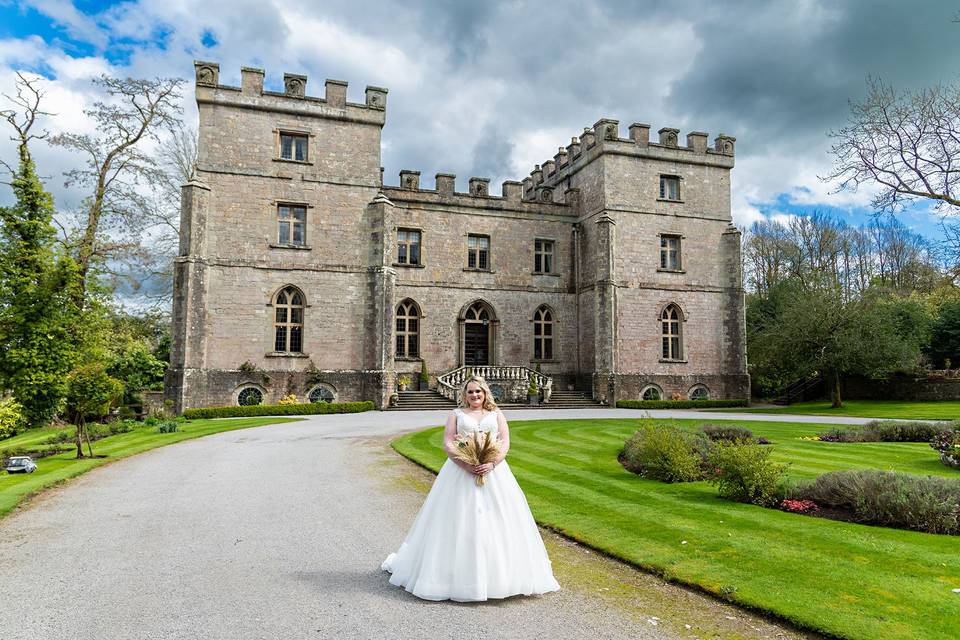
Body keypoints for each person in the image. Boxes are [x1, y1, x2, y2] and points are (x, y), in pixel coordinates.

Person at [381, 375, 561, 602]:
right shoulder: (456, 415)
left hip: (494, 472)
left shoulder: (496, 414)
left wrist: (492, 463)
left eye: (478, 391)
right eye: (470, 392)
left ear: (485, 393)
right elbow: (448, 443)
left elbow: (505, 442)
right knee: (456, 520)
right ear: (464, 395)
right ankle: (449, 576)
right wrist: (466, 464)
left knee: (499, 519)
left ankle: (501, 577)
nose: (475, 395)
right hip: (460, 472)